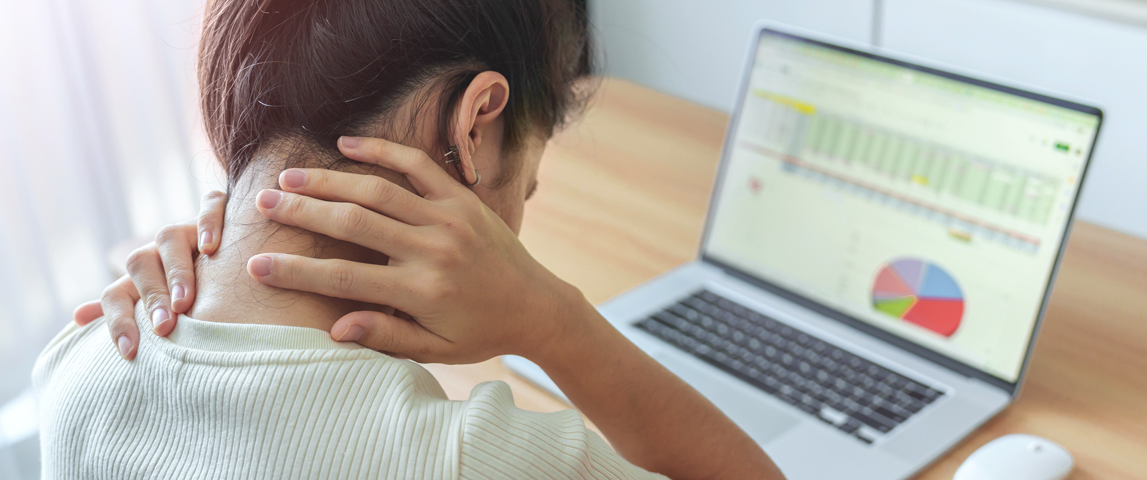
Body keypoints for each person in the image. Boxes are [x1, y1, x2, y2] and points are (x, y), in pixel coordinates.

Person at [43, 0, 784, 478]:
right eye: (522, 189)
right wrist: (554, 319)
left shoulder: (77, 368)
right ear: (475, 123)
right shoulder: (474, 460)